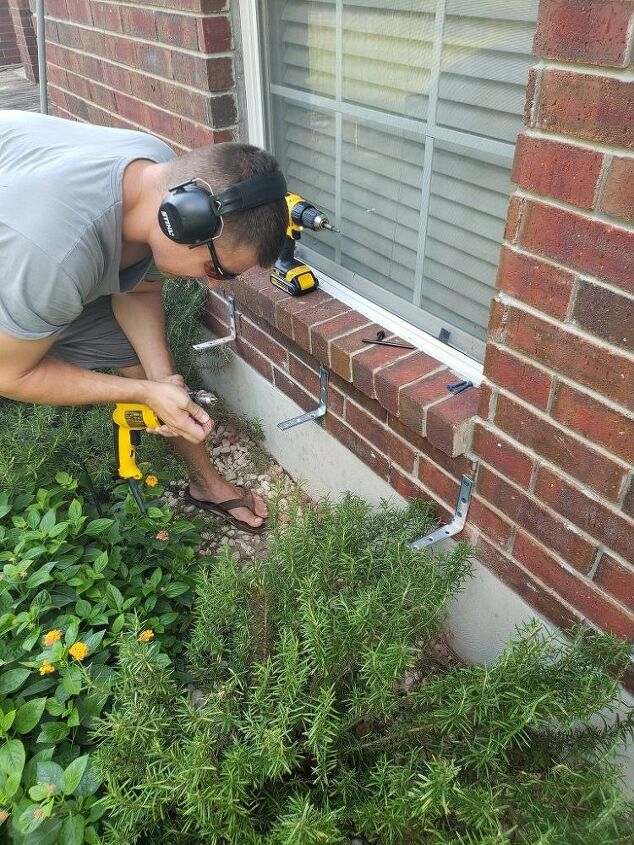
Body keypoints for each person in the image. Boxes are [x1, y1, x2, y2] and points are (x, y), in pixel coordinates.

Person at [0, 109, 288, 533]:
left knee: (145, 367)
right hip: (26, 246)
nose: (218, 285)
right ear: (180, 222)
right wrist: (140, 391)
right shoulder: (55, 259)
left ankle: (207, 485)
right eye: (218, 270)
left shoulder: (162, 175)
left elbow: (139, 288)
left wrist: (161, 383)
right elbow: (12, 374)